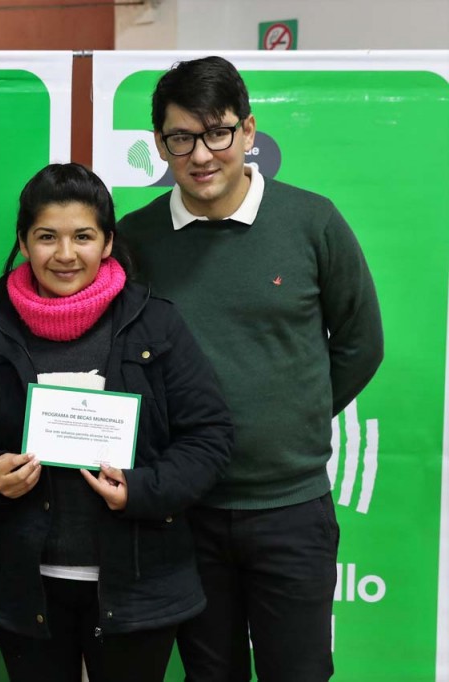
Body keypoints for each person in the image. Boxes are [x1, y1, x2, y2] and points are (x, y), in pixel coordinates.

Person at [117, 56, 384, 682]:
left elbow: (360, 343)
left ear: (248, 130)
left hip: (291, 506)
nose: (201, 155)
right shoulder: (137, 238)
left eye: (218, 133)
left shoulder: (313, 221)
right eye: (181, 138)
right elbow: (93, 329)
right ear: (159, 142)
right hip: (186, 509)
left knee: (300, 671)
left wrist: (297, 412)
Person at [0, 163, 233, 682]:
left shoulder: (156, 322)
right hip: (25, 583)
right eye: (47, 236)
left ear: (108, 242)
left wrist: (141, 489)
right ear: (23, 242)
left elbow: (209, 436)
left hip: (137, 581)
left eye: (83, 237)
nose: (65, 254)